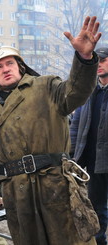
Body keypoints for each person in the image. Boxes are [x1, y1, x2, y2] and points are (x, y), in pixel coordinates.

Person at [0, 16, 101, 245]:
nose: (5, 69)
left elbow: (77, 92)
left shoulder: (46, 86)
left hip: (55, 185)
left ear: (20, 66)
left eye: (9, 63)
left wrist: (84, 59)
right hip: (18, 194)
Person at [70, 47, 108, 245]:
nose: (99, 64)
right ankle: (100, 242)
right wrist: (71, 154)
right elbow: (76, 124)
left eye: (103, 59)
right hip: (94, 161)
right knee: (96, 207)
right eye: (96, 61)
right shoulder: (89, 91)